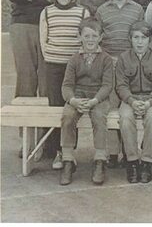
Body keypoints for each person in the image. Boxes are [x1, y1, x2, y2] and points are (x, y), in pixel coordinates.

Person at [4, 0, 67, 159]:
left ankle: (48, 141)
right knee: (26, 80)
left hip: (51, 23)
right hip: (22, 25)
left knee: (48, 81)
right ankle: (27, 140)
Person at [40, 0, 90, 169]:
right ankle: (56, 151)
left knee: (71, 109)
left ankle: (68, 151)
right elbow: (43, 40)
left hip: (74, 68)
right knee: (56, 107)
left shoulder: (82, 12)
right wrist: (51, 57)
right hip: (53, 66)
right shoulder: (46, 12)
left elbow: (85, 41)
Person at [95, 0, 144, 167]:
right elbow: (98, 38)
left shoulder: (137, 9)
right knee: (112, 105)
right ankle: (113, 152)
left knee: (127, 106)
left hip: (129, 63)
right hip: (109, 63)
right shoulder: (102, 10)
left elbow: (140, 37)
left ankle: (128, 150)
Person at [59, 17, 113, 185]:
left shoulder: (106, 59)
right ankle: (68, 159)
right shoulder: (74, 59)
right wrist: (73, 100)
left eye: (94, 36)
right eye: (87, 36)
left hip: (99, 97)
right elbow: (66, 86)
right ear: (79, 37)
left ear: (101, 37)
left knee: (99, 117)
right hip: (78, 96)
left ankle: (99, 159)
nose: (90, 40)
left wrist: (95, 100)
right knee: (67, 116)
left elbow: (107, 85)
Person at [115, 21, 152, 184]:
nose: (139, 41)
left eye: (143, 38)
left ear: (149, 39)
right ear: (130, 39)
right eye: (136, 37)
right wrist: (130, 100)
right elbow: (121, 84)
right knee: (125, 118)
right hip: (130, 98)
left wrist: (150, 100)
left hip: (151, 99)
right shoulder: (123, 58)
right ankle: (132, 162)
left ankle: (146, 162)